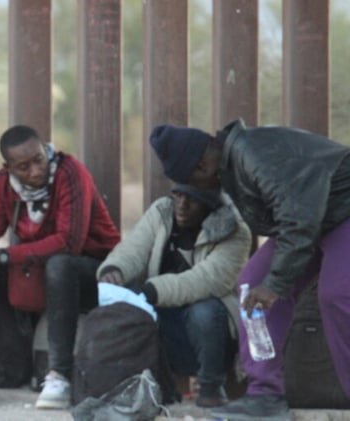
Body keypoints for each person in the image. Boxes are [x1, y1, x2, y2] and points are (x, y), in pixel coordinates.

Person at [149, 119, 350, 421]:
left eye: (192, 183)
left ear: (202, 167)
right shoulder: (232, 165)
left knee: (336, 294)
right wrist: (269, 283)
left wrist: (277, 285)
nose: (195, 192)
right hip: (317, 220)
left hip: (342, 210)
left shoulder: (255, 155)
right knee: (251, 284)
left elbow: (298, 220)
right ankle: (266, 394)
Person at [0, 124, 121, 410]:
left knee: (60, 264)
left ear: (46, 150)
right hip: (41, 271)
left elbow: (69, 242)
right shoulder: (4, 185)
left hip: (92, 273)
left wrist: (4, 256)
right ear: (8, 168)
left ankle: (59, 376)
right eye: (23, 167)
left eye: (38, 160)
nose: (34, 171)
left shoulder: (71, 173)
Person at [97, 183, 251, 408]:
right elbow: (133, 248)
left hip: (214, 334)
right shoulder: (162, 211)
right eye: (177, 196)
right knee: (132, 304)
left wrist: (152, 291)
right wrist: (113, 269)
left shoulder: (234, 230)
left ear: (209, 203)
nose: (182, 206)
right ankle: (152, 386)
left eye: (192, 200)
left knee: (204, 310)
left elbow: (204, 281)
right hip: (167, 322)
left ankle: (211, 386)